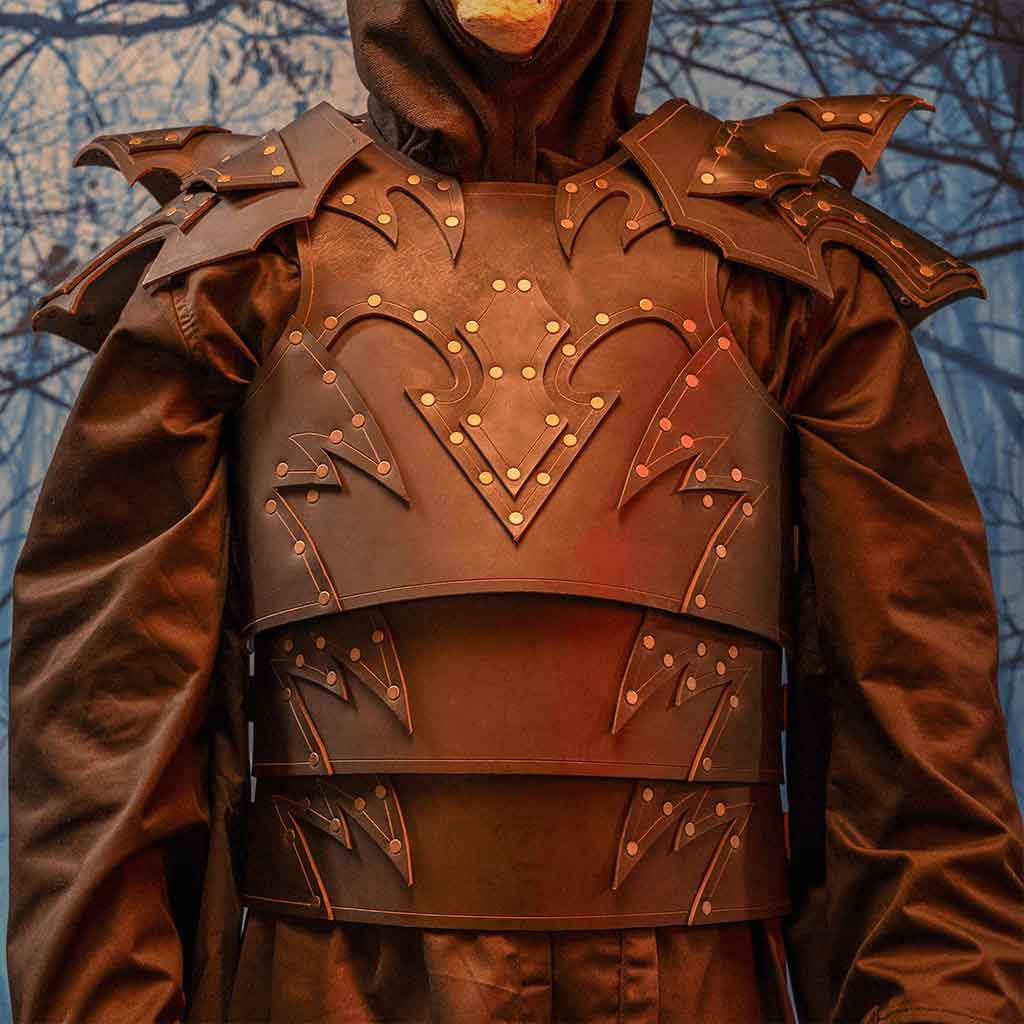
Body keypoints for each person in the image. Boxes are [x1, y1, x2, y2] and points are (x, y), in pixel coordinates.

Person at [8, 0, 1023, 1021]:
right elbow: (106, 736)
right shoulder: (239, 265)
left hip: (693, 989)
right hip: (335, 988)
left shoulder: (788, 266)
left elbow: (919, 749)